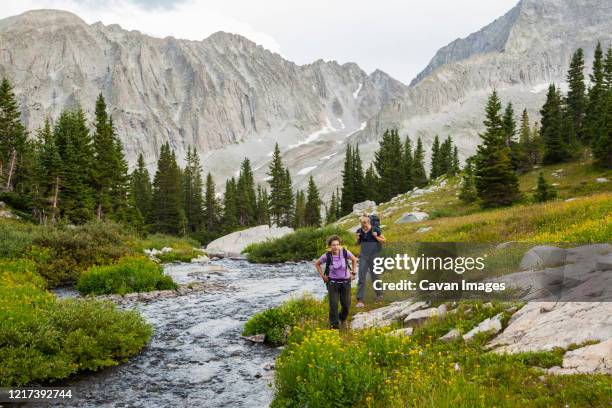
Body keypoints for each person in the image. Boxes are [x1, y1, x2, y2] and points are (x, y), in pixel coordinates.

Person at [315, 235, 357, 329]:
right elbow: (317, 264)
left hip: (346, 282)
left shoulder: (345, 252)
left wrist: (354, 273)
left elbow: (354, 259)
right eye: (333, 245)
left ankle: (342, 318)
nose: (336, 247)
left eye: (337, 244)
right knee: (333, 305)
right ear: (330, 246)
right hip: (333, 283)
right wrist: (323, 276)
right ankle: (334, 326)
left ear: (340, 245)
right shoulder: (327, 255)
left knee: (346, 304)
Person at [355, 214, 385, 307]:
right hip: (363, 256)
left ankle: (379, 295)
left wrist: (376, 237)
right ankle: (360, 300)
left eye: (366, 222)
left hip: (374, 255)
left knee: (375, 275)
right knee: (361, 277)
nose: (364, 224)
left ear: (369, 221)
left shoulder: (376, 230)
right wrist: (357, 239)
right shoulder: (359, 231)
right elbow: (357, 244)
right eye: (362, 223)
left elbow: (384, 240)